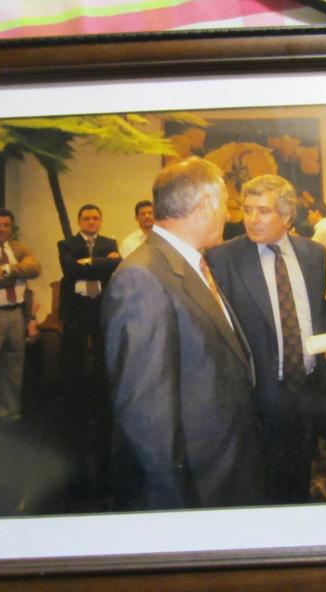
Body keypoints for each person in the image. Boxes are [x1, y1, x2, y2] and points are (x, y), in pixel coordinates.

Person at [102, 157, 267, 511]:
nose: (229, 214)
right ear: (205, 204)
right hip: (199, 484)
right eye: (226, 204)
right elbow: (146, 418)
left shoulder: (192, 265)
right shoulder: (143, 278)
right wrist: (176, 511)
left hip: (224, 466)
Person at [207, 174, 326, 505]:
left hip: (307, 389)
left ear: (286, 216)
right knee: (259, 489)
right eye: (247, 209)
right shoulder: (223, 258)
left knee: (298, 482)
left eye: (263, 211)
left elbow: (318, 308)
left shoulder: (314, 255)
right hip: (257, 396)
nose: (251, 219)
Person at [57, 204, 121, 506]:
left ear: (100, 220)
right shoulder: (66, 244)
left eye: (96, 217)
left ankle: (98, 388)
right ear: (80, 221)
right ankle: (78, 391)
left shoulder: (111, 243)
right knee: (77, 352)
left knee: (101, 352)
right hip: (78, 306)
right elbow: (70, 270)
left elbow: (113, 266)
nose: (91, 221)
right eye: (86, 218)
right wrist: (98, 263)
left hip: (101, 304)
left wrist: (88, 263)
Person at [0, 208, 41, 432]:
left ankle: (10, 414)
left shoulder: (17, 247)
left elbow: (34, 268)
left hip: (17, 314)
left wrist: (4, 270)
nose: (2, 229)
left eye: (6, 225)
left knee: (14, 368)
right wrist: (17, 271)